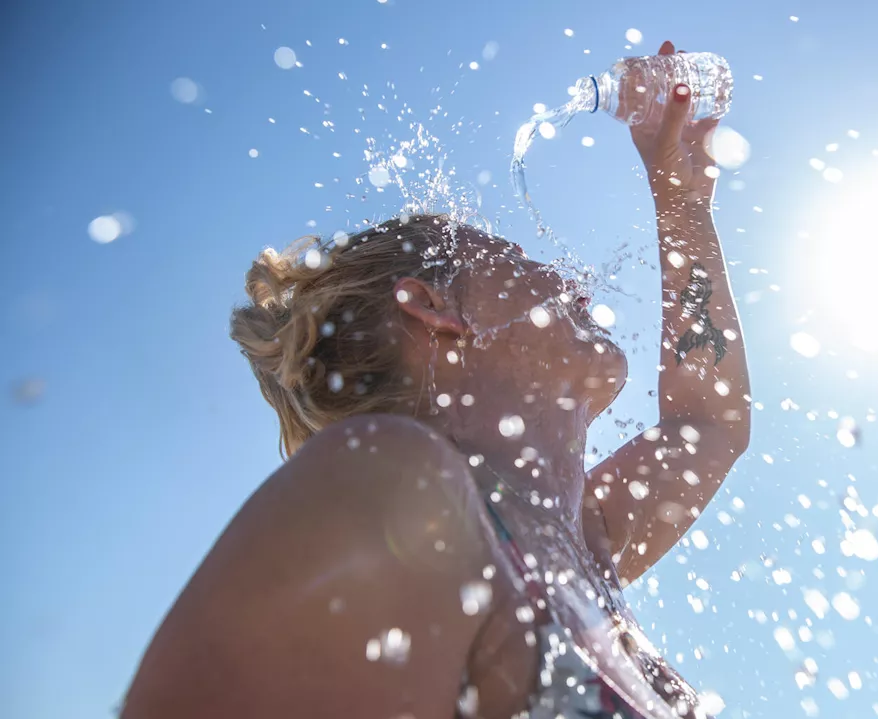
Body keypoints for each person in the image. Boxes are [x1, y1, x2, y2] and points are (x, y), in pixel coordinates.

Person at [121, 41, 750, 719]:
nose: (569, 280)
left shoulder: (582, 543)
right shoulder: (402, 493)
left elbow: (708, 423)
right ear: (433, 307)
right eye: (514, 256)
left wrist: (681, 203)